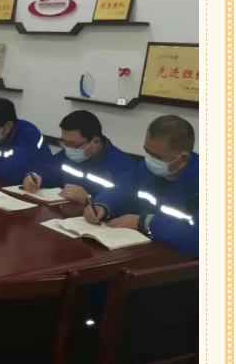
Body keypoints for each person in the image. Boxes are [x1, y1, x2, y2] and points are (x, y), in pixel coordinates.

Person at [84, 115, 199, 259]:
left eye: (157, 156)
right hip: (143, 249)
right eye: (147, 152)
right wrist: (101, 205)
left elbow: (199, 240)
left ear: (183, 158)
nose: (150, 160)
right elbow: (121, 190)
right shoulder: (146, 169)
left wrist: (145, 222)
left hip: (182, 261)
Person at [22, 110, 136, 204]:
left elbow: (126, 205)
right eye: (64, 143)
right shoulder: (68, 153)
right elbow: (49, 169)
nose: (68, 149)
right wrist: (34, 177)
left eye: (73, 144)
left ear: (95, 142)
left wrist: (89, 199)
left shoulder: (122, 167)